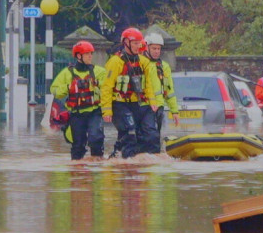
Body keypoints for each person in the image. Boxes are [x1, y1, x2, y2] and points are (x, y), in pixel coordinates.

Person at [101, 27, 162, 158]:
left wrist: (153, 101)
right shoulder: (115, 62)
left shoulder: (144, 62)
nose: (137, 46)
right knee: (130, 132)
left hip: (140, 103)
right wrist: (107, 111)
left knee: (152, 134)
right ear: (126, 43)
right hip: (121, 104)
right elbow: (107, 87)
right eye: (134, 43)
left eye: (139, 43)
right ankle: (127, 163)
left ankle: (150, 162)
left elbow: (148, 85)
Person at [50, 41, 109, 160]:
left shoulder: (99, 71)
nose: (90, 56)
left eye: (91, 53)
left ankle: (97, 165)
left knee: (96, 138)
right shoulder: (67, 73)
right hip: (76, 114)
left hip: (94, 112)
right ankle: (78, 173)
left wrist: (97, 84)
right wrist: (68, 87)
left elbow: (108, 86)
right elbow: (54, 90)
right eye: (87, 54)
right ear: (78, 56)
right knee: (78, 145)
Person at [143, 32, 179, 152]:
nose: (157, 51)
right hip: (144, 106)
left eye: (158, 48)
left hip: (159, 107)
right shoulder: (141, 64)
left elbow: (169, 90)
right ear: (146, 47)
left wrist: (174, 110)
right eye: (154, 48)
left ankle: (154, 159)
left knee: (156, 136)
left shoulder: (164, 66)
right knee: (148, 136)